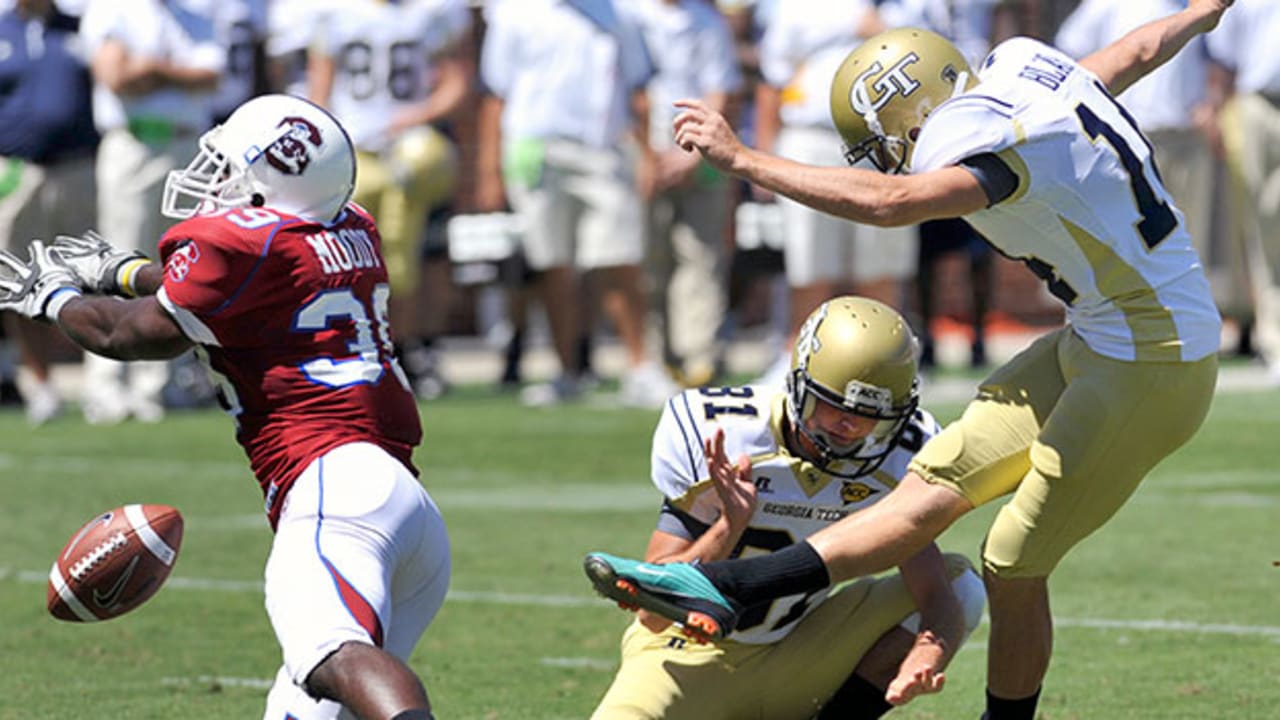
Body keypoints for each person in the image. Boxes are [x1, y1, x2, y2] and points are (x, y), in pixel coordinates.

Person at [584, 3, 1231, 719]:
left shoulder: (991, 148)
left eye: (880, 139)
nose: (887, 152)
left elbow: (895, 202)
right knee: (933, 480)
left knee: (1012, 562)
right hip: (1103, 334)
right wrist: (1203, 12)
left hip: (1153, 363)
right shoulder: (1024, 76)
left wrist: (744, 160)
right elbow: (1137, 49)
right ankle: (729, 587)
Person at [0, 94, 449, 720]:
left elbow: (129, 335)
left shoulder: (243, 242)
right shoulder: (349, 226)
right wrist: (125, 273)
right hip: (405, 506)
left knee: (333, 657)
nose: (215, 179)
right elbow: (235, 285)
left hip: (334, 488)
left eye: (230, 167)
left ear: (270, 184)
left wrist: (51, 299)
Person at [588, 296, 985, 719]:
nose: (849, 428)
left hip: (799, 649)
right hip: (682, 655)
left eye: (872, 417)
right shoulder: (726, 435)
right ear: (798, 384)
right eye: (833, 405)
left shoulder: (902, 455)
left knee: (965, 586)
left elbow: (937, 593)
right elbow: (652, 613)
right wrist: (728, 525)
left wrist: (930, 648)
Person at [477, 0, 677, 408]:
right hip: (534, 151)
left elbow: (638, 90)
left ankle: (641, 368)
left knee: (620, 260)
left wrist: (648, 155)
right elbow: (495, 96)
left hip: (604, 149)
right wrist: (488, 170)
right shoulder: (511, 12)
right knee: (554, 265)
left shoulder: (622, 14)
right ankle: (566, 372)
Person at [308, 0, 471, 400]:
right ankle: (349, 346)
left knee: (400, 255)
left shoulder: (432, 13)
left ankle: (403, 349)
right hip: (354, 150)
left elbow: (457, 84)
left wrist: (414, 117)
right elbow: (319, 92)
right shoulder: (338, 14)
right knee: (343, 255)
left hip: (405, 149)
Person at [78, 0, 224, 424]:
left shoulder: (195, 15)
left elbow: (212, 77)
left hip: (188, 146)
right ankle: (106, 386)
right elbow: (117, 77)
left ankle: (158, 385)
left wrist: (153, 70)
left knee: (178, 267)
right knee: (118, 263)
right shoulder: (112, 10)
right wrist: (176, 74)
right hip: (134, 142)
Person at [631, 0, 742, 388]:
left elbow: (720, 89)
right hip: (644, 144)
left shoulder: (706, 20)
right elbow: (629, 90)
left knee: (701, 254)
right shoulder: (630, 14)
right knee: (649, 260)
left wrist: (692, 152)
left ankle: (700, 357)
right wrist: (646, 152)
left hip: (701, 147)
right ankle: (657, 360)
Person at [0, 0, 99, 425]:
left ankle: (105, 383)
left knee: (96, 275)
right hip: (17, 169)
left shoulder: (81, 27)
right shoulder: (3, 30)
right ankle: (40, 383)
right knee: (19, 280)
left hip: (80, 165)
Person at [1201, 0, 1280, 385]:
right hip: (1257, 104)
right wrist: (1215, 109)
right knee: (1260, 227)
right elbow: (1224, 57)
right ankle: (1274, 343)